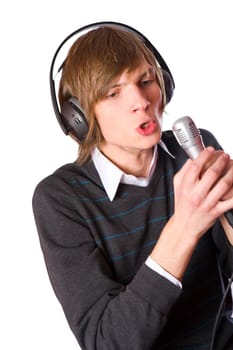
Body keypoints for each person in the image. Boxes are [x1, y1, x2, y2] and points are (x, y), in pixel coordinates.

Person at [32, 22, 233, 350]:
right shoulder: (61, 200)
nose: (141, 101)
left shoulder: (194, 151)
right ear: (79, 117)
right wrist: (184, 227)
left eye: (146, 81)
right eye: (113, 93)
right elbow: (108, 342)